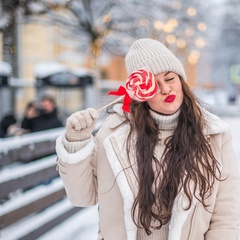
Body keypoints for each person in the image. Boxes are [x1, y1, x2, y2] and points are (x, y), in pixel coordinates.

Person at [55, 38, 240, 239]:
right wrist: (77, 142)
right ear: (139, 93)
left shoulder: (213, 133)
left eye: (170, 79)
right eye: (155, 84)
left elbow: (226, 214)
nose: (166, 89)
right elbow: (82, 197)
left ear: (181, 81)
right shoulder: (113, 134)